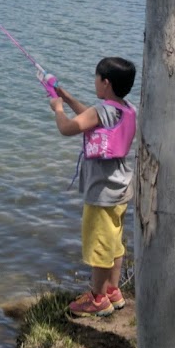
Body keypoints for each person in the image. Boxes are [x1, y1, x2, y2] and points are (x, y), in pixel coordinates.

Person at [42, 56, 137, 319]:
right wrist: (67, 96)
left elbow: (68, 128)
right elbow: (91, 116)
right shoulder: (125, 108)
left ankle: (97, 299)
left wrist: (58, 108)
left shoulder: (101, 110)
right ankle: (113, 291)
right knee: (115, 242)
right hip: (121, 186)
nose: (94, 82)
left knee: (99, 244)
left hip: (102, 192)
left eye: (96, 78)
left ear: (105, 83)